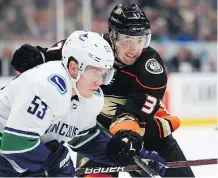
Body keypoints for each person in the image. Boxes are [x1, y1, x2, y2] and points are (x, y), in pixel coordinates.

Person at [10, 3, 194, 177]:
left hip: (145, 133)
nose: (134, 49)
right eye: (127, 40)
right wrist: (36, 56)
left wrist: (126, 137)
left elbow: (134, 116)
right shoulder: (91, 48)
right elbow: (58, 52)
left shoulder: (151, 69)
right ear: (112, 36)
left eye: (140, 40)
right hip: (98, 135)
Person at [0, 31, 116, 176]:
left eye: (104, 74)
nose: (99, 82)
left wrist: (124, 153)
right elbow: (15, 144)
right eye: (95, 72)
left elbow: (84, 139)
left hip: (19, 164)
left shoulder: (89, 97)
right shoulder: (47, 84)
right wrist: (55, 160)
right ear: (74, 68)